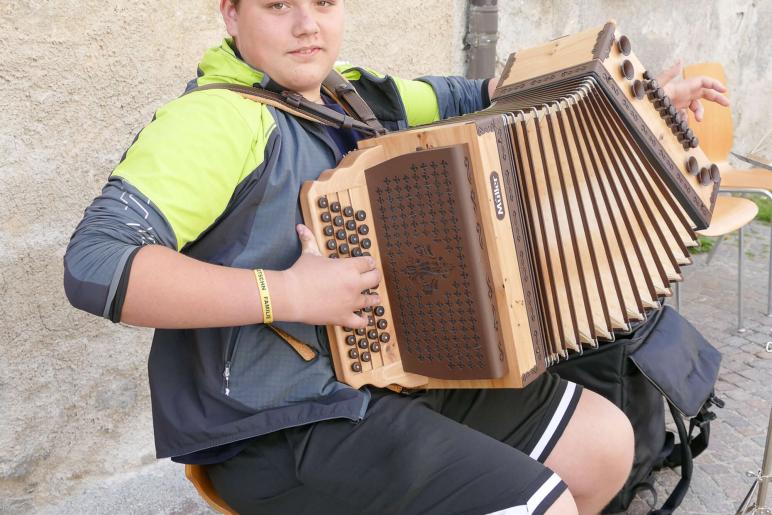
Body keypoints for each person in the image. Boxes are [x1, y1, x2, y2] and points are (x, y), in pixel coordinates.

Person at [63, 1, 730, 513]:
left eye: (323, 3)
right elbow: (95, 262)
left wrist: (635, 105)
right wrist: (288, 295)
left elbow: (490, 98)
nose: (306, 26)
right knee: (539, 505)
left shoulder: (357, 94)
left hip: (398, 373)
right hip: (280, 423)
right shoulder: (214, 122)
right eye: (276, 5)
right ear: (230, 11)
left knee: (606, 444)